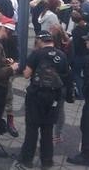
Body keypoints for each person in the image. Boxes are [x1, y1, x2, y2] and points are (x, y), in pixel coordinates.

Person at [18, 31, 73, 169]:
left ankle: (27, 161)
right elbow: (66, 77)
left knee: (32, 130)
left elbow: (26, 74)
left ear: (39, 40)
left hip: (36, 97)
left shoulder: (36, 54)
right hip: (53, 98)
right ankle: (47, 162)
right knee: (47, 131)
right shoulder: (61, 55)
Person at [67, 32, 89, 166]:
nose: (86, 42)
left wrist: (84, 92)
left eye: (88, 40)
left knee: (87, 126)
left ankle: (86, 155)